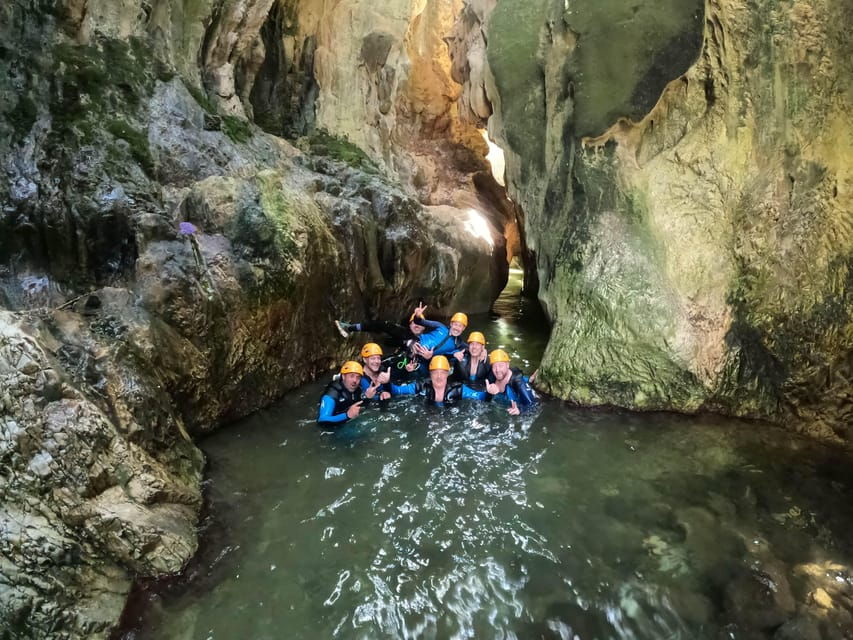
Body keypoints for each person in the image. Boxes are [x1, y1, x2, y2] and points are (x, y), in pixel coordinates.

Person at [394, 355, 485, 407]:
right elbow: (397, 390)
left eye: (442, 372)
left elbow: (480, 396)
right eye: (435, 373)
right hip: (427, 418)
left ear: (448, 373)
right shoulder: (421, 387)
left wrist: (489, 393)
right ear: (430, 374)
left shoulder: (458, 389)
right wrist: (385, 384)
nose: (439, 376)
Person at [484, 349, 538, 415]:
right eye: (494, 366)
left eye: (501, 366)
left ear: (507, 365)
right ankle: (529, 379)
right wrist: (489, 393)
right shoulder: (491, 377)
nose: (497, 370)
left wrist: (520, 411)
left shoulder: (518, 382)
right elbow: (486, 402)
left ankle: (529, 381)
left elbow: (533, 407)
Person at [317, 361, 365, 427]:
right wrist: (347, 415)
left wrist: (368, 397)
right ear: (343, 376)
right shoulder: (332, 394)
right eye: (351, 376)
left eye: (358, 377)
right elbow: (322, 420)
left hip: (348, 420)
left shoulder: (358, 389)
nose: (355, 380)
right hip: (332, 429)